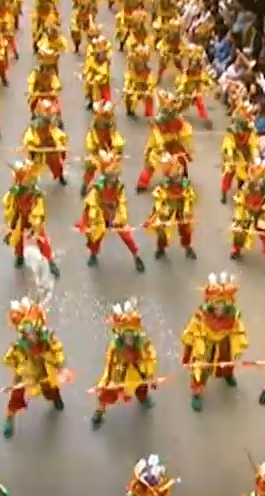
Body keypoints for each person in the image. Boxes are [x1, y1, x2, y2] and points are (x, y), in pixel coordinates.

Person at [0, 295, 67, 438]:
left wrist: (58, 362)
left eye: (32, 333)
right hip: (25, 368)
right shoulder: (21, 343)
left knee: (50, 388)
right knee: (16, 393)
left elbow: (57, 350)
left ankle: (55, 398)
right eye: (27, 333)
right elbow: (13, 356)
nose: (30, 336)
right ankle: (9, 418)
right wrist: (19, 367)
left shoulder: (47, 338)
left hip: (44, 368)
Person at [91, 299, 157, 429]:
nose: (129, 340)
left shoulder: (144, 345)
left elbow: (151, 359)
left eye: (131, 336)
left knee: (142, 389)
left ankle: (144, 399)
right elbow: (109, 366)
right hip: (119, 376)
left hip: (138, 375)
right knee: (107, 394)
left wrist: (149, 373)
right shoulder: (115, 348)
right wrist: (104, 382)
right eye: (126, 336)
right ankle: (100, 411)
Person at [75, 150, 146, 271]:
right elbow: (92, 204)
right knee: (95, 236)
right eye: (111, 178)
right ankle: (93, 254)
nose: (113, 180)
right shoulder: (97, 187)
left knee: (127, 236)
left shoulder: (119, 187)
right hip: (100, 214)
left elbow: (122, 203)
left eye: (115, 177)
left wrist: (120, 217)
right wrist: (94, 219)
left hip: (114, 214)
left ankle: (137, 256)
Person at [0, 159, 60, 276]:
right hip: (19, 215)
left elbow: (38, 211)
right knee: (17, 236)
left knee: (41, 238)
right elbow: (9, 204)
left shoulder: (36, 195)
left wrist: (35, 225)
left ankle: (50, 261)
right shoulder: (15, 191)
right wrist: (12, 220)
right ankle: (19, 256)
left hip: (32, 217)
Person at [228, 163, 265, 273]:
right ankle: (236, 250)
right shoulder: (246, 186)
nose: (257, 181)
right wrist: (240, 216)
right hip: (247, 212)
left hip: (260, 213)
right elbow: (240, 200)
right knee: (240, 233)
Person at [143, 152, 197, 261]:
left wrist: (187, 207)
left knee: (185, 229)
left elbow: (189, 195)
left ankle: (188, 247)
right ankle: (161, 248)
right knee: (161, 227)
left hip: (181, 206)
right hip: (168, 205)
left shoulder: (185, 182)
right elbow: (159, 196)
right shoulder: (165, 182)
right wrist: (158, 209)